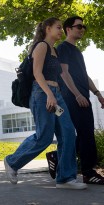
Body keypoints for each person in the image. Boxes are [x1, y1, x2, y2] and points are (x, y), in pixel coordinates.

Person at [4, 17, 87, 189]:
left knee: (68, 132)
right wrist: (50, 94)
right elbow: (37, 73)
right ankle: (12, 162)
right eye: (57, 27)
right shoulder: (41, 46)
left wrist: (56, 95)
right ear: (48, 28)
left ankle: (65, 178)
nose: (60, 31)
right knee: (44, 137)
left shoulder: (55, 51)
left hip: (56, 97)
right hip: (42, 95)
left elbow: (59, 76)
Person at [46, 16, 104, 185]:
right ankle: (88, 172)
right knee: (86, 133)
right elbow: (64, 73)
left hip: (81, 96)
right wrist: (77, 95)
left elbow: (84, 76)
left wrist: (97, 94)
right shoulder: (63, 48)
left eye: (83, 26)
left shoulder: (77, 51)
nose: (82, 29)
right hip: (71, 97)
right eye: (78, 26)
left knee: (81, 134)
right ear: (68, 29)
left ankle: (56, 156)